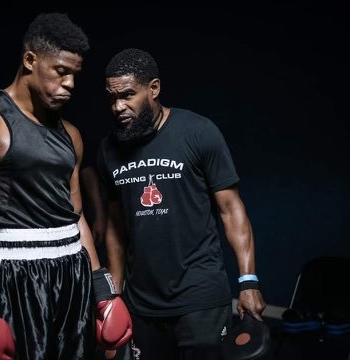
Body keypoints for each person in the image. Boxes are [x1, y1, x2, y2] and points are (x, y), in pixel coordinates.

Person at [0, 12, 132, 360]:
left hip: (72, 270)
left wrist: (102, 288)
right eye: (61, 72)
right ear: (30, 60)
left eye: (75, 75)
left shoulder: (70, 135)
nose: (70, 85)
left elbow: (75, 217)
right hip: (16, 273)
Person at [96, 48, 267, 360]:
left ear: (154, 88)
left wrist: (248, 281)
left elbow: (232, 210)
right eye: (111, 98)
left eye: (128, 95)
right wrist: (114, 298)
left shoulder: (199, 132)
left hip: (199, 298)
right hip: (141, 303)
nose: (118, 106)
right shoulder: (109, 149)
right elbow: (115, 228)